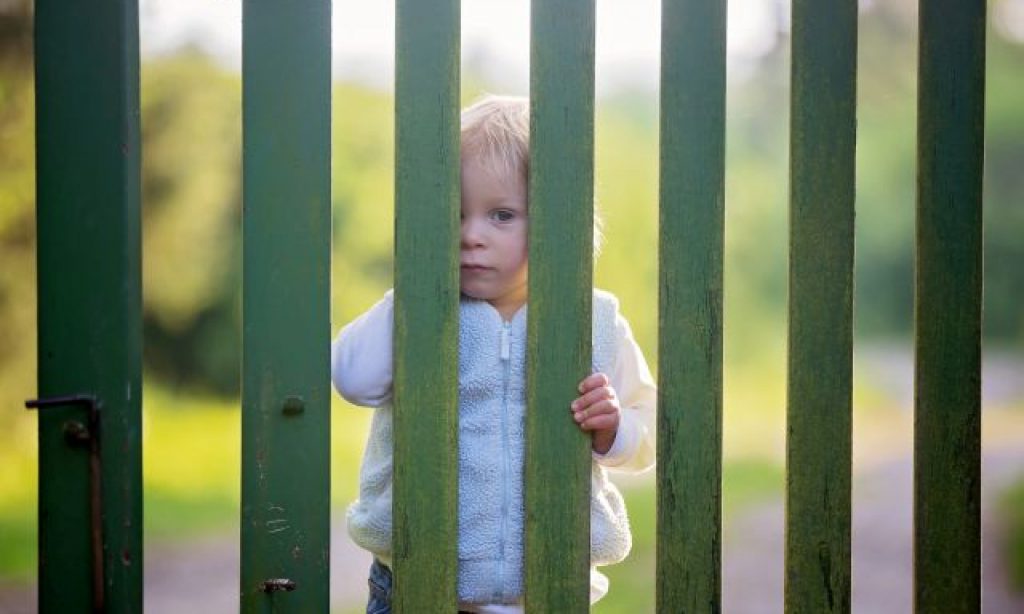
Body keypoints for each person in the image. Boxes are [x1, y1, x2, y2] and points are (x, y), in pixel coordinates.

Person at [331, 94, 656, 613]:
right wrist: (411, 290)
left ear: (556, 219)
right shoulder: (422, 309)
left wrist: (614, 429)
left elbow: (648, 431)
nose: (470, 236)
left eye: (501, 215)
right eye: (455, 214)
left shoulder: (593, 319)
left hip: (547, 591)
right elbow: (352, 378)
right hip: (415, 585)